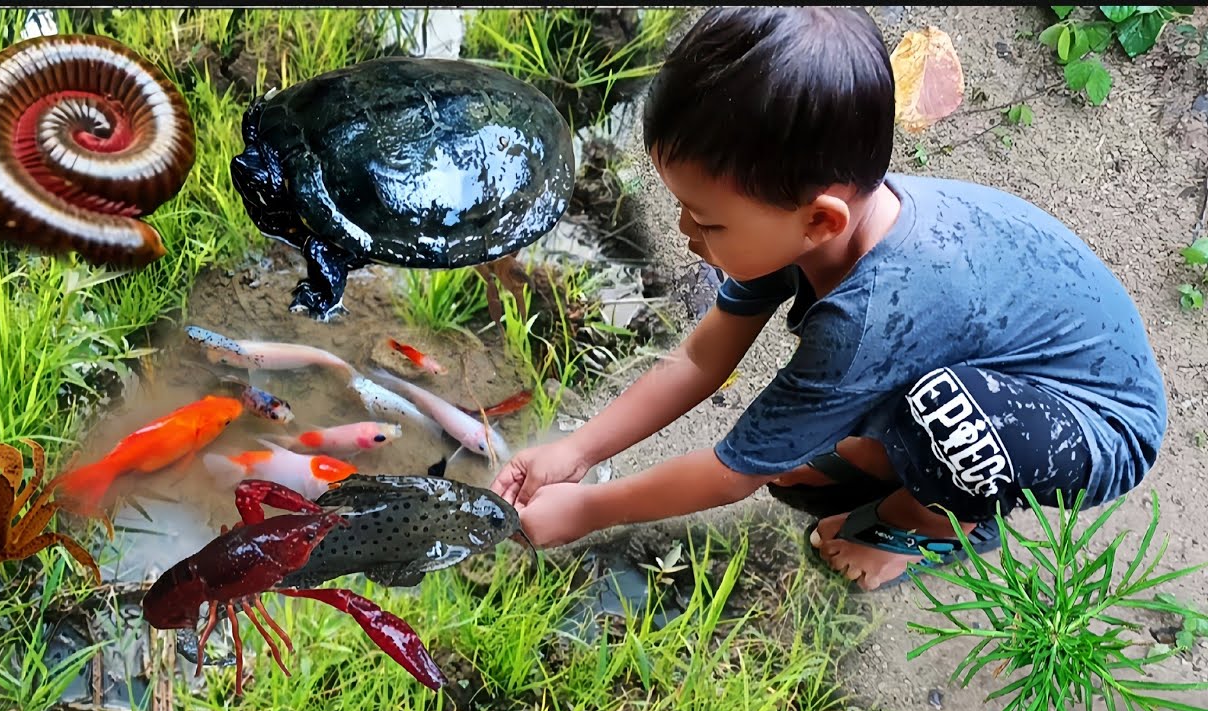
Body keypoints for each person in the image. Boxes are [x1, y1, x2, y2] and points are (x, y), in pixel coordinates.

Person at [490, 6, 1167, 591]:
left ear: (820, 220)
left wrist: (589, 510)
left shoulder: (864, 317)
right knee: (873, 413)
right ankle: (891, 450)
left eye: (707, 221)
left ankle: (932, 524)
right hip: (1004, 350)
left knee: (944, 414)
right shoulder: (807, 216)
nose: (685, 231)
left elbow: (733, 473)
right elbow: (701, 359)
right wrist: (579, 450)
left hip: (1094, 422)